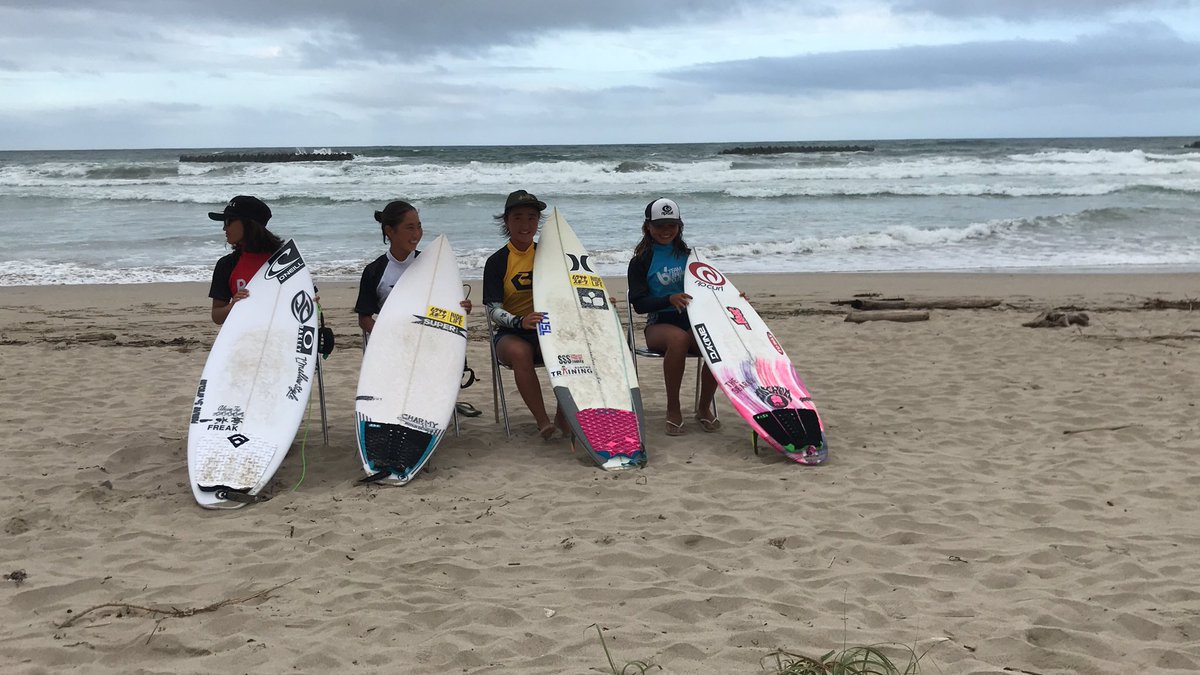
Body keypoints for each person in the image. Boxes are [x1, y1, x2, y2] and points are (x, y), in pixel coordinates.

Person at [354, 200, 477, 413]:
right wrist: (390, 336)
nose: (417, 233)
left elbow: (448, 307)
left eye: (419, 226)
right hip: (392, 343)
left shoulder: (432, 265)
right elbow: (364, 319)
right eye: (410, 227)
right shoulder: (375, 271)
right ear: (390, 231)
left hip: (430, 339)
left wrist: (462, 307)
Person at [627, 197, 719, 436]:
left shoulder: (691, 257)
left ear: (679, 226)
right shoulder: (640, 261)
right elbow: (638, 303)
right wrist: (667, 299)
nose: (666, 231)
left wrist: (733, 296)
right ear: (648, 227)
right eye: (660, 226)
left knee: (716, 342)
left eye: (671, 225)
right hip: (660, 323)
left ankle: (703, 407)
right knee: (678, 340)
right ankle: (673, 409)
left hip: (693, 321)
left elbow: (711, 288)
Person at [482, 189, 565, 439]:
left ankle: (563, 417)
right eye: (517, 217)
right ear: (506, 222)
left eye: (531, 217)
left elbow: (566, 294)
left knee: (571, 348)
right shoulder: (497, 261)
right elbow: (492, 310)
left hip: (546, 329)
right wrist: (519, 321)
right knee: (521, 352)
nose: (525, 224)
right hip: (510, 334)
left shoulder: (548, 256)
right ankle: (543, 422)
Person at [207, 195, 283, 325]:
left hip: (279, 334)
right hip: (244, 337)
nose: (224, 228)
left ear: (248, 223)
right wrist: (233, 305)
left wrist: (311, 300)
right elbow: (217, 316)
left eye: (228, 221)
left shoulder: (283, 260)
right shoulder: (226, 265)